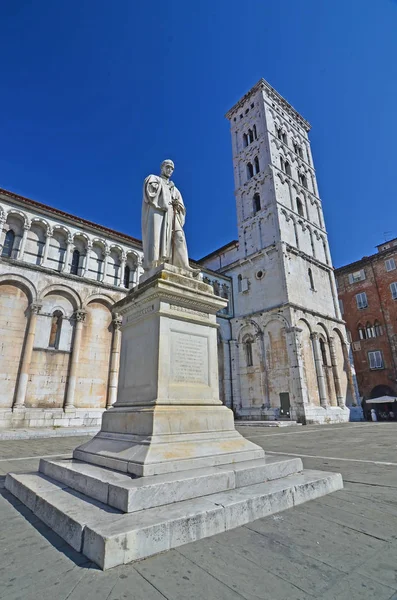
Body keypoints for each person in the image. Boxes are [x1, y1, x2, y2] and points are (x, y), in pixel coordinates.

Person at [141, 159, 198, 275]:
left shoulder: (175, 189)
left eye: (172, 169)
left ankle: (184, 265)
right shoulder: (154, 179)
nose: (170, 170)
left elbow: (182, 206)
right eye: (167, 167)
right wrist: (165, 189)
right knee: (156, 237)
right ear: (162, 168)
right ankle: (155, 264)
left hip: (172, 214)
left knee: (179, 236)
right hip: (159, 213)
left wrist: (177, 205)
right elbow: (150, 192)